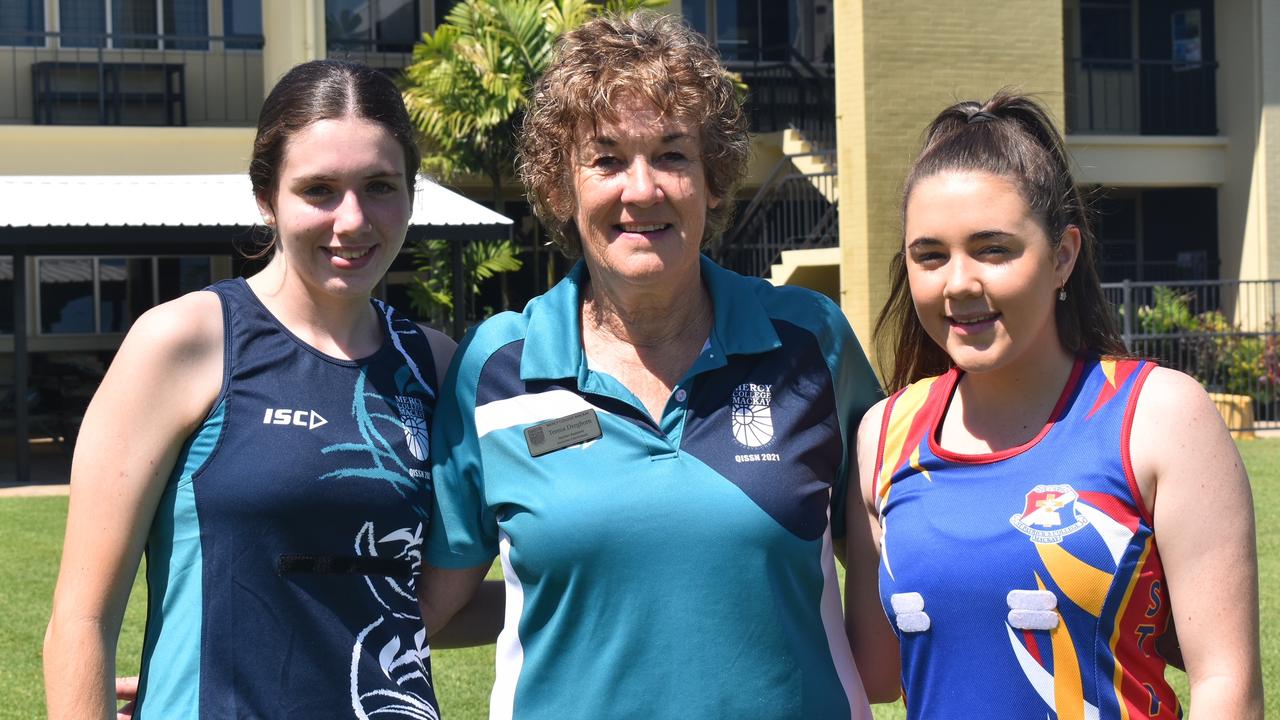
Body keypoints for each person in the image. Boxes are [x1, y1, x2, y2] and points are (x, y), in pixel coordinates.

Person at [418, 11, 883, 719]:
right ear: (558, 186)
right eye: (606, 160)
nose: (642, 190)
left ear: (714, 180)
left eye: (672, 155)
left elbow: (903, 568)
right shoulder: (498, 367)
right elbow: (430, 606)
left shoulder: (810, 342)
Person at [44, 59, 462, 719]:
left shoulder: (434, 364)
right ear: (267, 198)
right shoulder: (183, 344)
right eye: (319, 189)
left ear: (411, 194)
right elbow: (81, 618)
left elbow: (428, 600)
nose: (352, 220)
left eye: (380, 186)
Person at [850, 92, 1264, 718]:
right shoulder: (883, 435)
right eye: (929, 255)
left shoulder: (1157, 416)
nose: (959, 282)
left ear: (1063, 255)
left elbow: (1225, 685)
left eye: (993, 249)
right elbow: (878, 673)